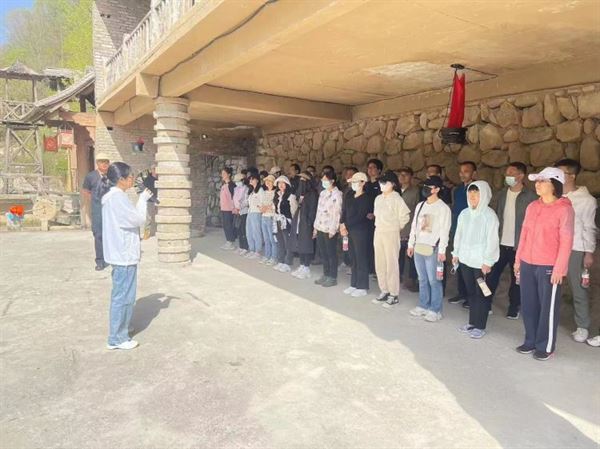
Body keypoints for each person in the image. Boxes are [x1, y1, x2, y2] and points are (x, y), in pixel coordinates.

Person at [514, 167, 574, 361]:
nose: (537, 184)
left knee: (547, 307)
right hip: (527, 262)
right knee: (528, 304)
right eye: (537, 181)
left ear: (554, 185)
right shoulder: (532, 206)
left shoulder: (564, 209)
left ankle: (545, 346)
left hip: (549, 266)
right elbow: (524, 234)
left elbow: (566, 241)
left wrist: (559, 268)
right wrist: (518, 259)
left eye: (542, 181)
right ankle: (530, 340)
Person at [101, 162, 153, 350]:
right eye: (130, 176)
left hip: (120, 253)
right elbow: (137, 219)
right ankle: (117, 338)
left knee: (123, 296)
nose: (132, 179)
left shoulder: (114, 197)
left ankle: (122, 327)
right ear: (121, 179)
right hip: (123, 255)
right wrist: (143, 200)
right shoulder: (117, 199)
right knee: (123, 297)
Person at [554, 159, 597, 343]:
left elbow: (589, 227)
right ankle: (548, 316)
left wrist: (588, 252)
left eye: (561, 173)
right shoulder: (553, 195)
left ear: (572, 176)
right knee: (550, 284)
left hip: (575, 248)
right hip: (552, 247)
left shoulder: (586, 200)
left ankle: (582, 326)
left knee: (578, 288)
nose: (556, 176)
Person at [487, 162, 537, 319]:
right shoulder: (501, 194)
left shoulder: (531, 197)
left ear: (521, 176)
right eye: (506, 173)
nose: (507, 176)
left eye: (511, 173)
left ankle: (514, 307)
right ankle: (486, 303)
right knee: (491, 275)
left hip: (519, 245)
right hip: (500, 243)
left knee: (517, 279)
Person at [452, 181, 500, 339]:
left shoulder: (489, 216)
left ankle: (480, 326)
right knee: (471, 292)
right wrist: (456, 253)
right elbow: (458, 235)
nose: (472, 196)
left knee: (482, 294)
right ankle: (472, 322)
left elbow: (492, 240)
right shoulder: (464, 214)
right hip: (466, 260)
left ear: (484, 195)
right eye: (470, 193)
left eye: (476, 193)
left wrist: (488, 261)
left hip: (481, 263)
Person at [407, 176, 452, 322]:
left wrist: (442, 251)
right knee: (422, 279)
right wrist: (411, 244)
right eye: (424, 186)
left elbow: (445, 231)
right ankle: (423, 305)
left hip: (433, 248)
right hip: (419, 246)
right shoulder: (420, 205)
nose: (425, 189)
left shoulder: (443, 208)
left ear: (437, 189)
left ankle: (435, 309)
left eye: (429, 186)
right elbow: (414, 226)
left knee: (434, 280)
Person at [370, 171, 411, 307]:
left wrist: (396, 227)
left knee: (391, 263)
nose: (381, 184)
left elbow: (405, 216)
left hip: (391, 232)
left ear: (392, 184)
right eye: (380, 182)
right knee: (380, 262)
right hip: (379, 231)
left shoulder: (396, 198)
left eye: (385, 182)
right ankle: (384, 290)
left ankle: (393, 293)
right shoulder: (378, 198)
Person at [448, 161, 477, 307]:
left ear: (474, 173)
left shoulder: (477, 190)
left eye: (466, 171)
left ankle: (471, 297)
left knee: (470, 265)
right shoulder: (458, 190)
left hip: (471, 232)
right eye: (461, 171)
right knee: (458, 262)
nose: (462, 174)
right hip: (458, 230)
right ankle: (461, 293)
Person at [340, 172, 372, 297]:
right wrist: (342, 224)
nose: (353, 184)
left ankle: (362, 286)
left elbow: (360, 216)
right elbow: (344, 211)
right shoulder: (349, 195)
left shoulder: (366, 198)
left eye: (355, 182)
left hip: (360, 231)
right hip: (348, 230)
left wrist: (346, 225)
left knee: (361, 257)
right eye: (352, 182)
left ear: (363, 183)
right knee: (353, 257)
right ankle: (354, 283)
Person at [313, 169, 343, 287]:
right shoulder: (322, 193)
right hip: (320, 226)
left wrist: (333, 229)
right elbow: (318, 211)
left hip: (330, 228)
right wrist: (315, 227)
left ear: (332, 181)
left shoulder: (337, 194)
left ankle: (332, 277)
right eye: (323, 180)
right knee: (323, 253)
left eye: (326, 180)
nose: (323, 182)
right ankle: (325, 274)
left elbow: (337, 213)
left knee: (331, 253)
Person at [82, 153, 110, 271]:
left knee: (111, 234)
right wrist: (95, 200)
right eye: (101, 161)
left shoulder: (112, 176)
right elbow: (85, 191)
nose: (104, 164)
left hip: (111, 210)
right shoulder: (91, 176)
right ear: (97, 163)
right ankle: (100, 261)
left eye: (106, 162)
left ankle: (112, 258)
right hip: (98, 209)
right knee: (98, 235)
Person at [289, 172, 318, 279]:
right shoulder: (301, 193)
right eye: (300, 179)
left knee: (306, 244)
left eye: (303, 180)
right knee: (300, 243)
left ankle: (306, 266)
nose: (301, 181)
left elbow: (313, 210)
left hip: (306, 222)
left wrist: (310, 224)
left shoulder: (312, 193)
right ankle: (301, 265)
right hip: (299, 220)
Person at [398, 167, 420, 292]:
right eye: (401, 174)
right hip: (396, 229)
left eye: (405, 175)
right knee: (398, 255)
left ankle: (411, 280)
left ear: (411, 177)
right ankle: (398, 278)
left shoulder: (416, 191)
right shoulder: (395, 190)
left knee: (410, 257)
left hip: (409, 229)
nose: (402, 177)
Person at [273, 175, 298, 273]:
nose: (281, 185)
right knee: (280, 242)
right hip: (278, 220)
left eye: (283, 183)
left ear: (287, 184)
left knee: (288, 243)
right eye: (279, 183)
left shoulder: (291, 196)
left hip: (287, 222)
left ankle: (287, 262)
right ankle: (281, 261)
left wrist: (292, 223)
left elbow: (294, 211)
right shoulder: (277, 195)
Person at [364, 158, 383, 277]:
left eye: (373, 167)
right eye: (369, 168)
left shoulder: (381, 184)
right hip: (365, 219)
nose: (370, 170)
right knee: (367, 244)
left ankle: (376, 269)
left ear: (379, 170)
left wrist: (375, 214)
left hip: (377, 219)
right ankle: (369, 268)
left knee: (376, 245)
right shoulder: (365, 184)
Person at [340, 166, 358, 272]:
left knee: (352, 244)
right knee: (344, 242)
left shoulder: (357, 190)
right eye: (347, 174)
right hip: (344, 218)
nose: (348, 176)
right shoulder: (345, 188)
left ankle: (352, 264)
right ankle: (346, 260)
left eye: (351, 174)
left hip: (352, 221)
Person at [134, 164, 159, 240]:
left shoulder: (160, 178)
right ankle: (146, 234)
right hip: (150, 200)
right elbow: (144, 189)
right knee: (148, 218)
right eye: (154, 169)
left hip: (158, 199)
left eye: (156, 169)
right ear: (152, 170)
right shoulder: (148, 178)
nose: (156, 171)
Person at [260, 175, 278, 265]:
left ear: (273, 182)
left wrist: (266, 207)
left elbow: (274, 206)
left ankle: (274, 257)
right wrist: (264, 208)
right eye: (266, 181)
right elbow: (261, 205)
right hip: (264, 216)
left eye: (270, 181)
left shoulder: (276, 192)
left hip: (271, 217)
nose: (268, 182)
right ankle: (267, 255)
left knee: (272, 239)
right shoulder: (264, 192)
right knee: (266, 238)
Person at [245, 174, 264, 259]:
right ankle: (252, 249)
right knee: (249, 231)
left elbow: (262, 202)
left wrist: (259, 207)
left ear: (257, 180)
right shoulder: (251, 190)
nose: (251, 181)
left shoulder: (260, 190)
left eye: (252, 179)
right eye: (250, 179)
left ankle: (257, 251)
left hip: (256, 213)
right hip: (250, 212)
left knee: (256, 232)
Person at [219, 167, 237, 250]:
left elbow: (235, 197)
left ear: (229, 174)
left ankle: (231, 242)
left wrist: (234, 208)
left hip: (230, 209)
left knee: (229, 226)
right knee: (225, 225)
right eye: (222, 173)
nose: (222, 175)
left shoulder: (231, 185)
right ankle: (228, 241)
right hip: (224, 208)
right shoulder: (223, 185)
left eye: (224, 173)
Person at [233, 173, 249, 255]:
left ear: (242, 180)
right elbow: (234, 200)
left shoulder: (246, 189)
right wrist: (235, 208)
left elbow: (246, 201)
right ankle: (241, 246)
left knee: (243, 230)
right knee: (238, 229)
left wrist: (239, 207)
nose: (237, 183)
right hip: (237, 212)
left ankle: (245, 247)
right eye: (236, 181)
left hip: (244, 212)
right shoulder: (235, 189)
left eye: (238, 181)